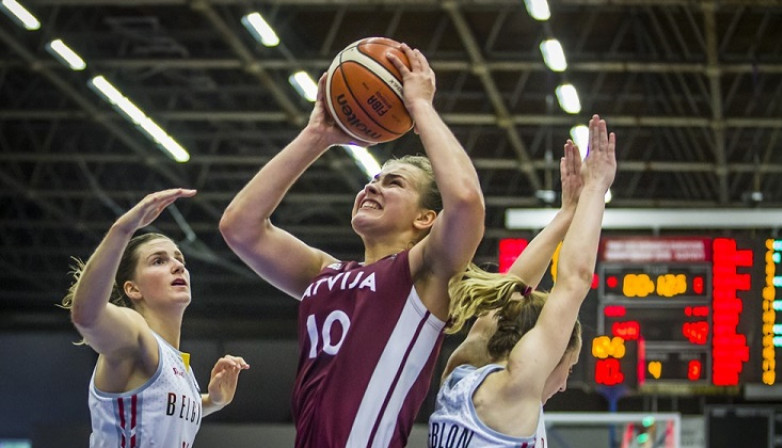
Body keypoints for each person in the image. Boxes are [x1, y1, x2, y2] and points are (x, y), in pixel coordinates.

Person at [219, 43, 485, 447]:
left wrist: (421, 108)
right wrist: (317, 136)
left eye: (393, 182)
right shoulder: (324, 272)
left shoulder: (425, 273)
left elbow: (465, 201)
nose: (372, 186)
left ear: (425, 218)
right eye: (374, 178)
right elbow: (239, 227)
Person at [429, 115, 616, 447]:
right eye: (568, 368)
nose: (562, 386)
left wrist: (566, 216)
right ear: (540, 351)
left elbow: (506, 294)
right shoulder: (511, 393)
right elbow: (573, 281)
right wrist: (596, 190)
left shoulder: (460, 375)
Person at [61, 188, 250, 448]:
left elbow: (158, 406)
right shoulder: (137, 335)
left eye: (179, 259)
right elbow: (86, 315)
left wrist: (211, 401)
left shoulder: (177, 364)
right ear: (133, 289)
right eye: (159, 261)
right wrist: (122, 230)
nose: (178, 265)